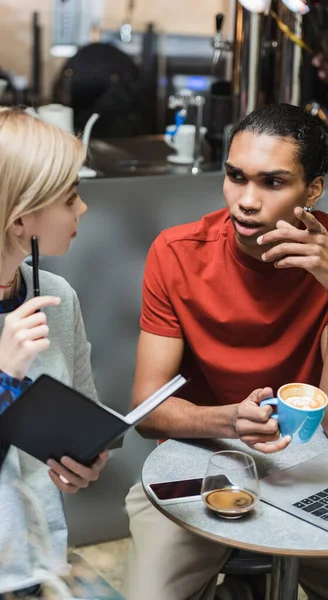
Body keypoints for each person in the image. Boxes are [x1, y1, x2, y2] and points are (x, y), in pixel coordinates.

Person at [125, 103, 328, 600]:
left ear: (312, 190)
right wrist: (229, 422)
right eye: (235, 176)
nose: (246, 200)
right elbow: (147, 412)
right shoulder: (177, 251)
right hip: (195, 467)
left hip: (307, 470)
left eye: (273, 182)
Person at [0, 107, 108, 596]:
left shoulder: (58, 297)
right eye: (71, 198)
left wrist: (87, 458)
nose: (82, 210)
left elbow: (83, 413)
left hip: (40, 559)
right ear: (21, 219)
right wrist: (4, 376)